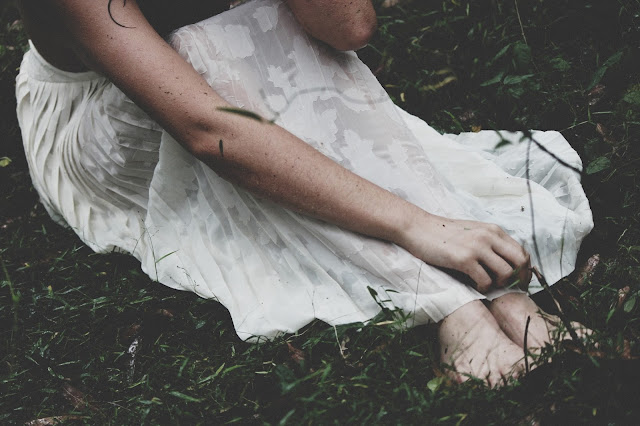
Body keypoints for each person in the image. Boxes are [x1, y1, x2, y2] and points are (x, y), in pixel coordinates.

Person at [16, 0, 593, 387]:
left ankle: (496, 294)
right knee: (216, 39)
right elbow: (206, 129)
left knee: (259, 24)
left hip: (250, 85)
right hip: (111, 126)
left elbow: (349, 26)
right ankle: (453, 302)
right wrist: (414, 224)